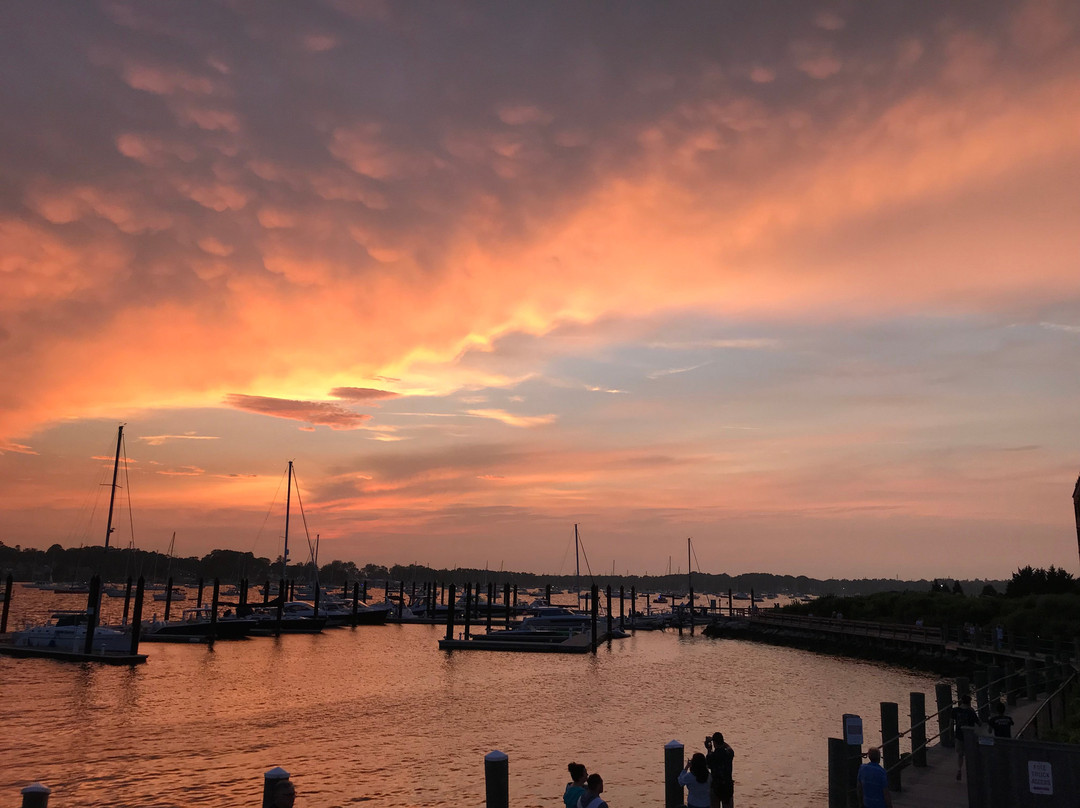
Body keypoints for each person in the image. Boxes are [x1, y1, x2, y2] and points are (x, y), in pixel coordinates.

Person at [953, 694, 982, 780]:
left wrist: (951, 734)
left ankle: (959, 769)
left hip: (958, 734)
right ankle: (971, 772)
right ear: (969, 702)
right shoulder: (971, 712)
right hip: (969, 735)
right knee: (970, 754)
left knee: (960, 754)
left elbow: (951, 723)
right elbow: (979, 723)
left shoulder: (955, 710)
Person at [704, 732, 734, 808]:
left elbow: (707, 765)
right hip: (727, 785)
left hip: (716, 786)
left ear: (714, 743)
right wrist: (721, 742)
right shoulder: (729, 753)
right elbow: (729, 747)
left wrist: (709, 749)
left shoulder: (712, 756)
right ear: (722, 741)